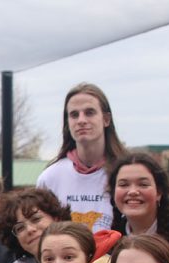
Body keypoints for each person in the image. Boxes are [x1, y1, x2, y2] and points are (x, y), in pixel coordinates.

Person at [37, 82, 127, 233]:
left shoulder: (126, 173)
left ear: (106, 119)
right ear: (67, 123)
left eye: (90, 112)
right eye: (74, 115)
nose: (81, 120)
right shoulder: (50, 178)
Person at [108, 153, 169, 244]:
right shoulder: (112, 239)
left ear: (159, 192)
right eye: (123, 185)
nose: (132, 191)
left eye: (143, 184)